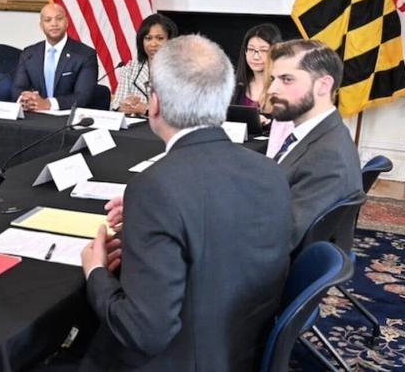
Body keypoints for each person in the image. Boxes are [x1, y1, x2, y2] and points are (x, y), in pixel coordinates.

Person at [80, 35, 292, 371]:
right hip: (245, 350)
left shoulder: (154, 189)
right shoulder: (271, 171)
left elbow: (144, 333)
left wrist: (95, 273)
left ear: (154, 104)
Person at [264, 39, 363, 248]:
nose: (272, 89)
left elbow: (282, 238)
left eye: (287, 79)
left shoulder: (328, 156)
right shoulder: (320, 134)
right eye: (273, 79)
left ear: (323, 85)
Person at [12, 3, 98, 111]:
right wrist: (26, 100)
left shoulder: (85, 54)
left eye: (59, 19)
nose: (54, 24)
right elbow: (17, 88)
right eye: (48, 20)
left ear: (66, 22)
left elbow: (83, 96)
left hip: (66, 118)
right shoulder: (29, 53)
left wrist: (48, 104)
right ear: (41, 25)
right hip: (34, 116)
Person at [111, 13, 177, 115]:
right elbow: (116, 104)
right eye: (148, 38)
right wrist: (127, 104)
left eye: (160, 38)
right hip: (135, 128)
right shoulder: (131, 68)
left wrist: (145, 109)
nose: (153, 44)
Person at [231, 24, 283, 130]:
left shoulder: (284, 89)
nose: (255, 56)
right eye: (250, 49)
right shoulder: (237, 87)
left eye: (263, 51)